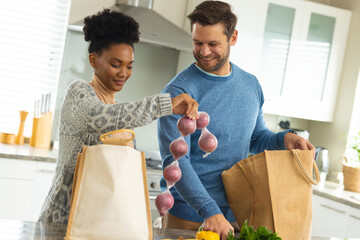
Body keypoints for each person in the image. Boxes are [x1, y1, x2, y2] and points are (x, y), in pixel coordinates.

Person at [157, 1, 315, 239]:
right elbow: (177, 163)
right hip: (189, 216)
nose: (204, 51)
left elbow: (256, 137)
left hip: (237, 215)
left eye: (213, 44)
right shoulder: (177, 93)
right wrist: (209, 211)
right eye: (197, 43)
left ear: (233, 38)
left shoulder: (250, 85)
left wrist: (284, 139)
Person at [38, 9, 199, 223]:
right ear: (93, 60)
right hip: (63, 221)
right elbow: (100, 117)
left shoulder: (120, 113)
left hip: (100, 224)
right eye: (116, 64)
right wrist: (165, 104)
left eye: (129, 66)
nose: (124, 73)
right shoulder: (79, 93)